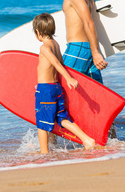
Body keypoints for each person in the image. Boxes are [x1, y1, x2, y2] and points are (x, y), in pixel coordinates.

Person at [32, 13, 95, 154]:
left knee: (42, 122)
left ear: (38, 33)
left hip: (45, 89)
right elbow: (61, 62)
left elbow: (55, 63)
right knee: (61, 117)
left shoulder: (44, 48)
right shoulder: (56, 44)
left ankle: (44, 152)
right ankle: (86, 140)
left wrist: (68, 78)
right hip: (55, 87)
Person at [45, 0, 107, 84]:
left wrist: (96, 53)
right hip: (87, 48)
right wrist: (94, 51)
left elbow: (88, 21)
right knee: (95, 93)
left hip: (78, 48)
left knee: (61, 85)